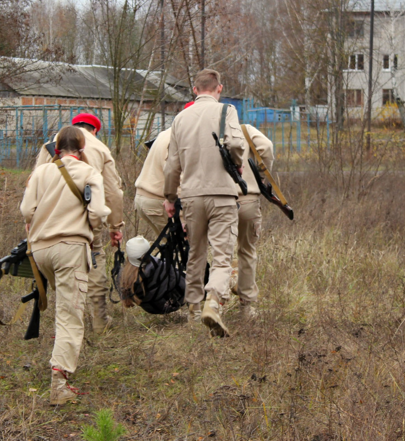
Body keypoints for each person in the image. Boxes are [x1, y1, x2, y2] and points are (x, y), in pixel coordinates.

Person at [20, 126, 111, 405]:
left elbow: (26, 210)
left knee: (64, 306)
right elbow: (97, 212)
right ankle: (59, 383)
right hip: (71, 250)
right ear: (82, 148)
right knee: (71, 314)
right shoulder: (88, 172)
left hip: (41, 251)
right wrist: (92, 225)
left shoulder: (41, 172)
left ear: (56, 147)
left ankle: (60, 360)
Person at [162, 69, 246, 337]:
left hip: (190, 196)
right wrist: (237, 164)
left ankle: (194, 311)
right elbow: (235, 143)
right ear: (219, 88)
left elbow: (172, 163)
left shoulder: (179, 118)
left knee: (195, 254)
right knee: (222, 258)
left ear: (195, 90)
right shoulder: (227, 111)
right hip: (222, 193)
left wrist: (169, 197)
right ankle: (213, 301)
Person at [34, 113, 124, 333]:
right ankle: (100, 321)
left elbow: (34, 182)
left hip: (49, 222)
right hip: (87, 221)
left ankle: (68, 320)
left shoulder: (50, 145)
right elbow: (113, 192)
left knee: (59, 269)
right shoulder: (100, 148)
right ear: (94, 130)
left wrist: (33, 220)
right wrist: (115, 226)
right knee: (94, 262)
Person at [133, 101, 193, 241]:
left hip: (145, 197)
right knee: (182, 248)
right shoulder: (183, 136)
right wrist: (183, 215)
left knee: (168, 246)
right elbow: (175, 174)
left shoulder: (167, 132)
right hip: (159, 200)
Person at [234, 123, 275, 319]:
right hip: (248, 198)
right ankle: (247, 307)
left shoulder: (203, 126)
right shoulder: (244, 129)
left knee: (217, 252)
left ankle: (212, 303)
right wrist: (259, 175)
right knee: (247, 251)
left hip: (216, 199)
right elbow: (266, 147)